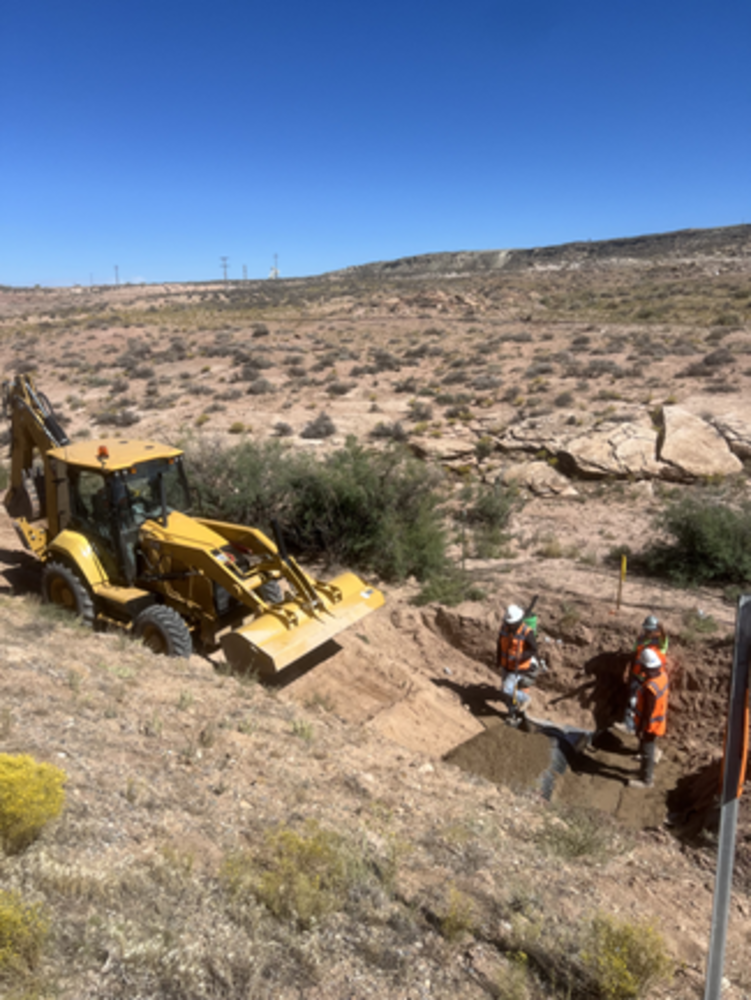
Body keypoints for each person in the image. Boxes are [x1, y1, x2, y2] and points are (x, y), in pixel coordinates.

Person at [629, 647, 669, 788]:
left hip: (649, 725)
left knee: (647, 751)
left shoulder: (650, 687)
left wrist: (640, 728)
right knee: (649, 749)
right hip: (657, 722)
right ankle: (645, 771)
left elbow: (648, 711)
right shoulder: (662, 676)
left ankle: (647, 780)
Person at [622, 614, 669, 733]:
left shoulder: (660, 641)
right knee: (632, 701)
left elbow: (664, 635)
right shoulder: (640, 639)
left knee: (646, 705)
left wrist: (660, 626)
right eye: (646, 629)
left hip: (652, 678)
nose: (647, 632)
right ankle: (629, 726)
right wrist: (627, 671)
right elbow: (633, 656)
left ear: (655, 630)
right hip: (637, 675)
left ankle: (644, 728)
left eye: (649, 630)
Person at [496, 603, 540, 725]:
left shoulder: (527, 632)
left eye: (512, 623)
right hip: (507, 665)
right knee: (508, 695)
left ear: (519, 620)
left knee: (506, 689)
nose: (510, 626)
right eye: (509, 623)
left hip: (519, 667)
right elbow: (499, 645)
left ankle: (525, 699)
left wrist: (521, 656)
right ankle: (512, 715)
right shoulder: (504, 629)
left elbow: (533, 649)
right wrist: (498, 659)